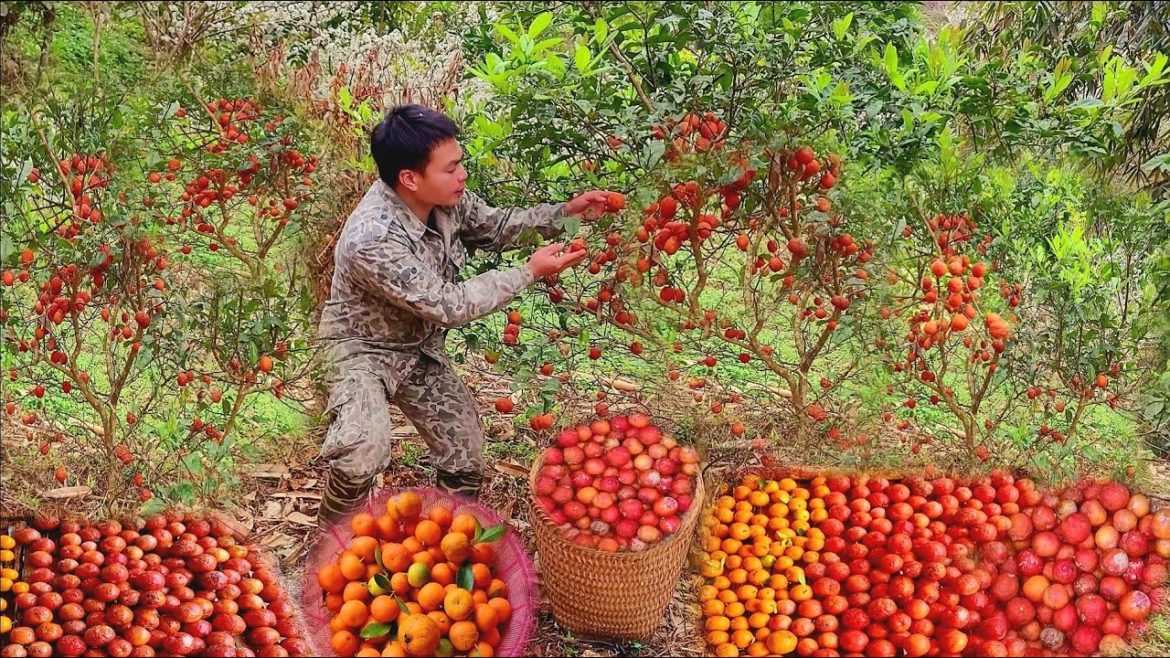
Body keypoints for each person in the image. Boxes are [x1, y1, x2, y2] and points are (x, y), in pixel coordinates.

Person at [314, 103, 614, 525]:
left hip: (416, 349)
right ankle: (330, 538)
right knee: (362, 450)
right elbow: (448, 305)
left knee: (464, 450)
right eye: (451, 168)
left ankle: (441, 539)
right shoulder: (373, 238)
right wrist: (528, 272)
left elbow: (498, 226)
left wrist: (565, 213)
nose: (463, 175)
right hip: (360, 350)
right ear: (410, 178)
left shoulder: (446, 199)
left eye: (460, 163)